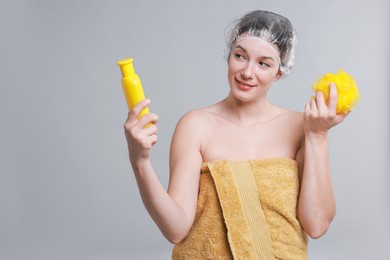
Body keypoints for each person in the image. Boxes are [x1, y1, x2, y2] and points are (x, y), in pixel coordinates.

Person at [124, 10, 348, 259]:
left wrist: (317, 136)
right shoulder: (195, 125)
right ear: (229, 55)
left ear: (280, 71)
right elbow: (175, 230)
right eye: (240, 56)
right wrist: (140, 163)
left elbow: (316, 225)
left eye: (264, 63)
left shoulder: (303, 127)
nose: (247, 73)